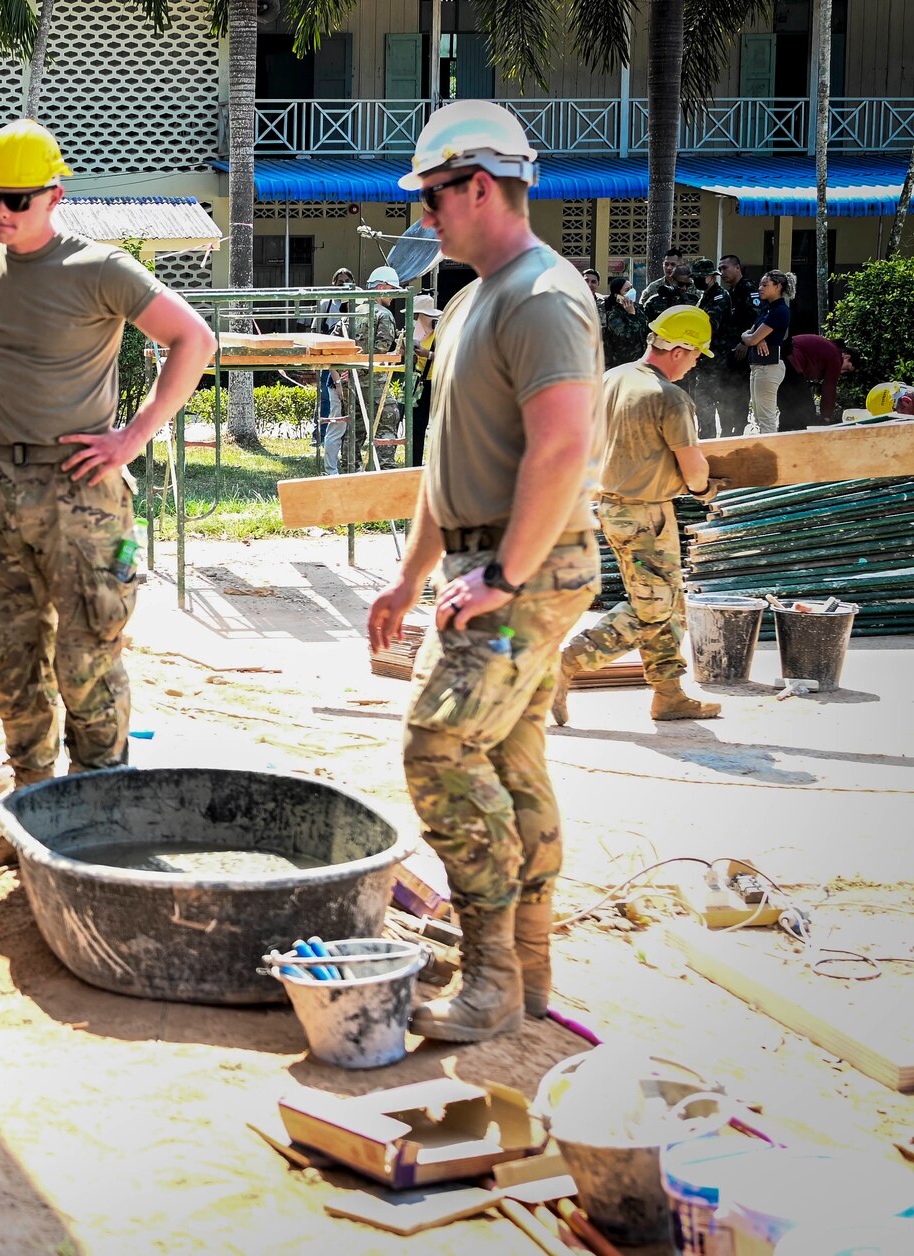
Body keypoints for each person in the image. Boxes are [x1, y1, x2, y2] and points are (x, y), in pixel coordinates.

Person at [367, 100, 604, 1043]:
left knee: (439, 747)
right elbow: (445, 464)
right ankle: (529, 974)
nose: (424, 216)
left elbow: (560, 448)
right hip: (489, 555)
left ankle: (492, 976)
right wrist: (409, 573)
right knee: (510, 757)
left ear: (477, 185)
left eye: (431, 197)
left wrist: (502, 578)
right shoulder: (474, 300)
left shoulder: (543, 296)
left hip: (528, 565)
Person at [0, 119, 214, 878]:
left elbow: (194, 339)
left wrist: (136, 436)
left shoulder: (101, 269)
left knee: (85, 664)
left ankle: (98, 835)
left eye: (18, 198)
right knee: (10, 666)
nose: (2, 211)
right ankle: (31, 824)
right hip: (3, 494)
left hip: (85, 495)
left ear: (56, 194)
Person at [553, 307, 726, 728]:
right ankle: (562, 664)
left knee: (670, 606)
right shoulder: (668, 398)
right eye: (696, 354)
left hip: (613, 507)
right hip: (647, 515)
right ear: (680, 349)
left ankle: (668, 695)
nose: (697, 361)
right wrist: (705, 491)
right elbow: (696, 469)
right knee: (653, 608)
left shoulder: (613, 379)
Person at [339, 265, 404, 469]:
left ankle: (352, 468)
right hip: (374, 384)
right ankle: (385, 469)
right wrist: (393, 356)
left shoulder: (351, 313)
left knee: (353, 429)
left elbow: (336, 342)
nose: (393, 296)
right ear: (382, 287)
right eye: (392, 290)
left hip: (351, 383)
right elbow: (381, 349)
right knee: (388, 418)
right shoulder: (383, 314)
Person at [685, 258, 732, 438]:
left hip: (715, 359)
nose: (697, 280)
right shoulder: (705, 297)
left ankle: (710, 440)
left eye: (700, 276)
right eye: (694, 277)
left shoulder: (719, 297)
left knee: (706, 402)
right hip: (702, 359)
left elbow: (709, 326)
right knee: (700, 403)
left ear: (712, 277)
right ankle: (706, 437)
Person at [742, 270, 792, 435]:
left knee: (766, 419)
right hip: (757, 366)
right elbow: (750, 334)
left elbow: (750, 338)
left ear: (778, 287)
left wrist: (754, 338)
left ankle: (771, 455)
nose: (760, 288)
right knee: (758, 416)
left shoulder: (780, 310)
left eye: (765, 285)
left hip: (769, 366)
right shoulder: (767, 307)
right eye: (760, 284)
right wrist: (756, 338)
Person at [312, 268, 357, 450]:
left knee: (345, 397)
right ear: (334, 283)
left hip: (347, 354)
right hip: (327, 353)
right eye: (340, 281)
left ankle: (343, 436)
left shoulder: (356, 303)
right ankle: (320, 434)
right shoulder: (326, 303)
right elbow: (315, 328)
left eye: (347, 281)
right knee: (324, 395)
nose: (343, 284)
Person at [716, 255, 758, 436]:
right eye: (720, 269)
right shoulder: (730, 292)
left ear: (737, 268)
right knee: (726, 391)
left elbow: (757, 318)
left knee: (740, 392)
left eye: (725, 268)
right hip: (729, 353)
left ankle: (738, 430)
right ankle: (726, 430)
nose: (722, 272)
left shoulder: (747, 289)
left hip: (742, 352)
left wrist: (745, 343)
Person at [781, 333, 853, 430]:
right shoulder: (836, 356)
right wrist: (826, 418)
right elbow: (829, 387)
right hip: (791, 362)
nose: (842, 372)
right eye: (846, 369)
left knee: (788, 409)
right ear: (846, 357)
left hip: (781, 361)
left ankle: (783, 437)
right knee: (806, 409)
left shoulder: (827, 347)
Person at [408, 293, 441, 466]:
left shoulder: (441, 332)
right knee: (417, 426)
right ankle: (415, 464)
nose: (414, 318)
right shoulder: (417, 332)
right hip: (420, 383)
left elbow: (451, 355)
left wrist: (427, 354)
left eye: (416, 315)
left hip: (437, 383)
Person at [602, 277, 647, 367]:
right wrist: (631, 315)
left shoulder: (638, 308)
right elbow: (627, 336)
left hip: (642, 361)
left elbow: (645, 329)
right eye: (627, 290)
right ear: (617, 295)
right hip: (624, 363)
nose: (632, 291)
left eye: (631, 288)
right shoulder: (614, 315)